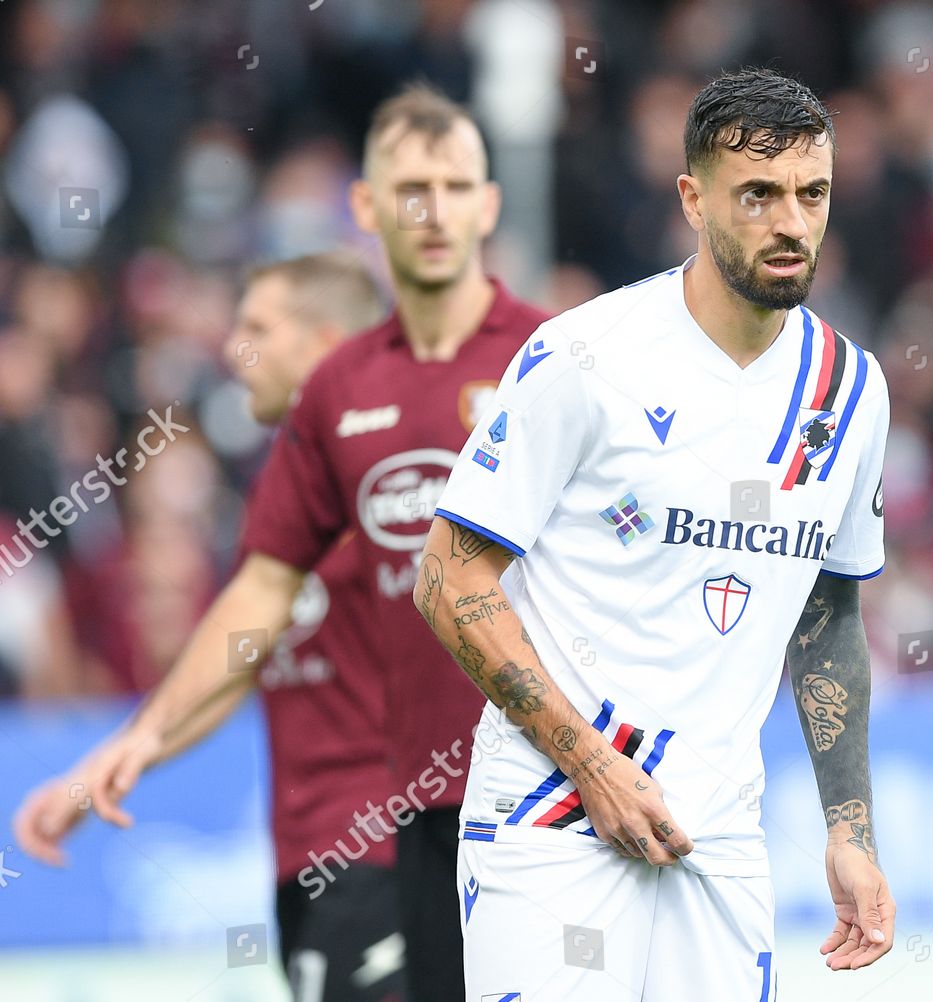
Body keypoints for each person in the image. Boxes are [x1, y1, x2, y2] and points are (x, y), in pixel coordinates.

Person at [14, 83, 549, 1001]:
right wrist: (141, 739)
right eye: (409, 188)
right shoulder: (340, 396)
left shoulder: (555, 358)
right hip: (414, 820)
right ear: (367, 207)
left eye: (455, 186)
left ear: (490, 203)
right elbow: (260, 597)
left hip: (548, 802)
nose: (433, 212)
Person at [414, 67, 896, 1001]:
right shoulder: (588, 355)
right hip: (553, 816)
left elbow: (827, 615)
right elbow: (448, 579)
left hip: (721, 833)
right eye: (757, 195)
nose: (791, 224)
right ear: (692, 198)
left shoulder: (850, 390)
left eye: (812, 194)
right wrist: (593, 765)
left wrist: (850, 831)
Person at [14, 253, 407, 1001]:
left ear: (323, 344)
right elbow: (239, 664)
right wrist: (110, 763)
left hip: (390, 853)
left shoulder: (394, 488)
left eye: (258, 328)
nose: (235, 349)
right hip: (308, 856)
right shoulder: (283, 492)